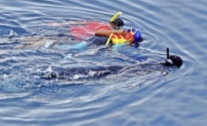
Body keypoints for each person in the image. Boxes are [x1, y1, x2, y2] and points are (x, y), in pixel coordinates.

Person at [44, 48, 183, 81]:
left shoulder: (153, 60)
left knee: (93, 70)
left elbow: (138, 60)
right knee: (94, 77)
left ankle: (60, 73)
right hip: (124, 72)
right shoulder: (160, 71)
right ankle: (61, 78)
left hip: (120, 67)